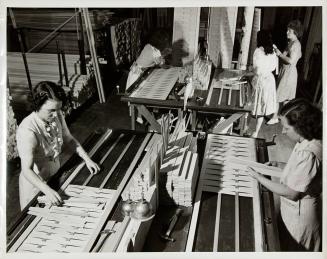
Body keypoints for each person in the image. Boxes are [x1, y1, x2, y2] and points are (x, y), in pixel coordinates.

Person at [248, 98, 322, 251]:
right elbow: (301, 173)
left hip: (299, 218)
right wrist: (280, 165)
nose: (282, 131)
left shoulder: (308, 153)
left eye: (286, 128)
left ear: (300, 127)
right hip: (291, 211)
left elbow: (292, 193)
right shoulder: (306, 140)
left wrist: (258, 177)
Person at [16, 81, 100, 210]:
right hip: (35, 186)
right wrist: (47, 190)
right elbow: (27, 170)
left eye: (58, 109)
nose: (56, 114)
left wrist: (87, 159)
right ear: (37, 106)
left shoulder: (56, 114)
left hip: (54, 176)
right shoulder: (28, 131)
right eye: (51, 111)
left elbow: (69, 139)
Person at [126, 29, 172, 124]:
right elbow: (162, 65)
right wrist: (168, 65)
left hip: (135, 72)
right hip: (138, 75)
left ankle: (140, 116)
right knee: (139, 97)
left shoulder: (148, 46)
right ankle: (140, 116)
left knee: (138, 97)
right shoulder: (155, 53)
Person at [267, 20, 303, 125]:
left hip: (289, 73)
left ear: (295, 33)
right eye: (287, 30)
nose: (287, 32)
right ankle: (285, 120)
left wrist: (279, 54)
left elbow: (291, 61)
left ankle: (275, 118)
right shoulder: (291, 43)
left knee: (279, 97)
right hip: (286, 72)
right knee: (285, 98)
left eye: (289, 31)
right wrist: (277, 51)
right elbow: (284, 56)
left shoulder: (295, 44)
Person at [248, 30, 278, 138]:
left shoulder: (258, 51)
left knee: (256, 105)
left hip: (261, 80)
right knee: (262, 107)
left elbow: (257, 70)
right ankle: (256, 132)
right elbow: (274, 67)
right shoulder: (273, 51)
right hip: (269, 79)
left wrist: (251, 68)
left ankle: (247, 127)